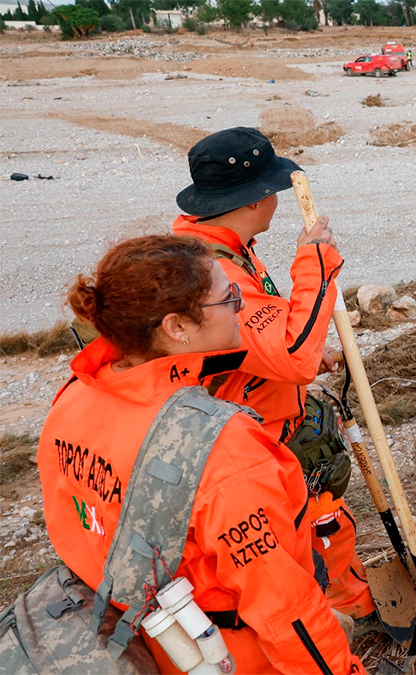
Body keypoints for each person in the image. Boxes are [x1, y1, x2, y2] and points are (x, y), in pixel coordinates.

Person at [38, 235, 363, 674]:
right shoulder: (221, 447)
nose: (241, 307)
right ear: (176, 327)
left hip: (130, 638)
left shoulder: (74, 398)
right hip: (229, 656)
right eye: (228, 297)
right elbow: (285, 610)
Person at [172, 127, 374, 620]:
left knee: (322, 529)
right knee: (309, 541)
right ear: (258, 198)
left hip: (259, 422)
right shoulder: (215, 272)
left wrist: (289, 358)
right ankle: (339, 626)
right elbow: (293, 355)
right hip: (254, 447)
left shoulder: (215, 246)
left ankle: (350, 609)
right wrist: (316, 262)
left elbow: (263, 343)